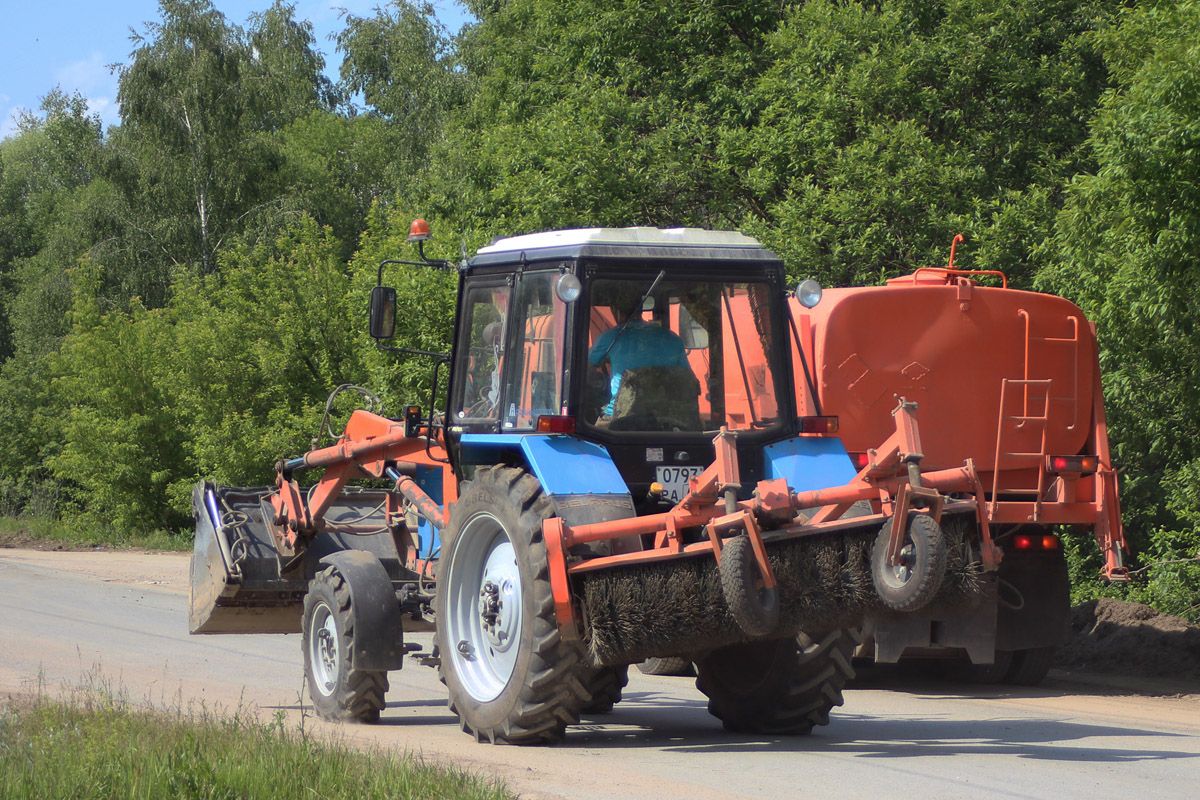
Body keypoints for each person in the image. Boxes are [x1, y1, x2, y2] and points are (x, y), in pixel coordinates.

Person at [588, 300, 689, 419]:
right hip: (666, 415)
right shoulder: (672, 338)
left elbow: (586, 369)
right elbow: (687, 378)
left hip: (621, 415)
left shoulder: (609, 337)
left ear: (615, 310)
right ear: (641, 308)